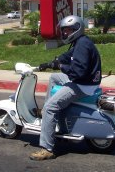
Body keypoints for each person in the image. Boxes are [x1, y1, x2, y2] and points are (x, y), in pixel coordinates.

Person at [29, 15, 102, 161]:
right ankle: (45, 113)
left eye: (67, 30)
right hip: (85, 81)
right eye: (64, 30)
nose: (65, 33)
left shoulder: (82, 45)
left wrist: (61, 66)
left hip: (83, 85)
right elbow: (67, 56)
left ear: (76, 29)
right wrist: (51, 63)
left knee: (51, 106)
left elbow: (78, 72)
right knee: (54, 78)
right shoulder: (80, 42)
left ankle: (47, 148)